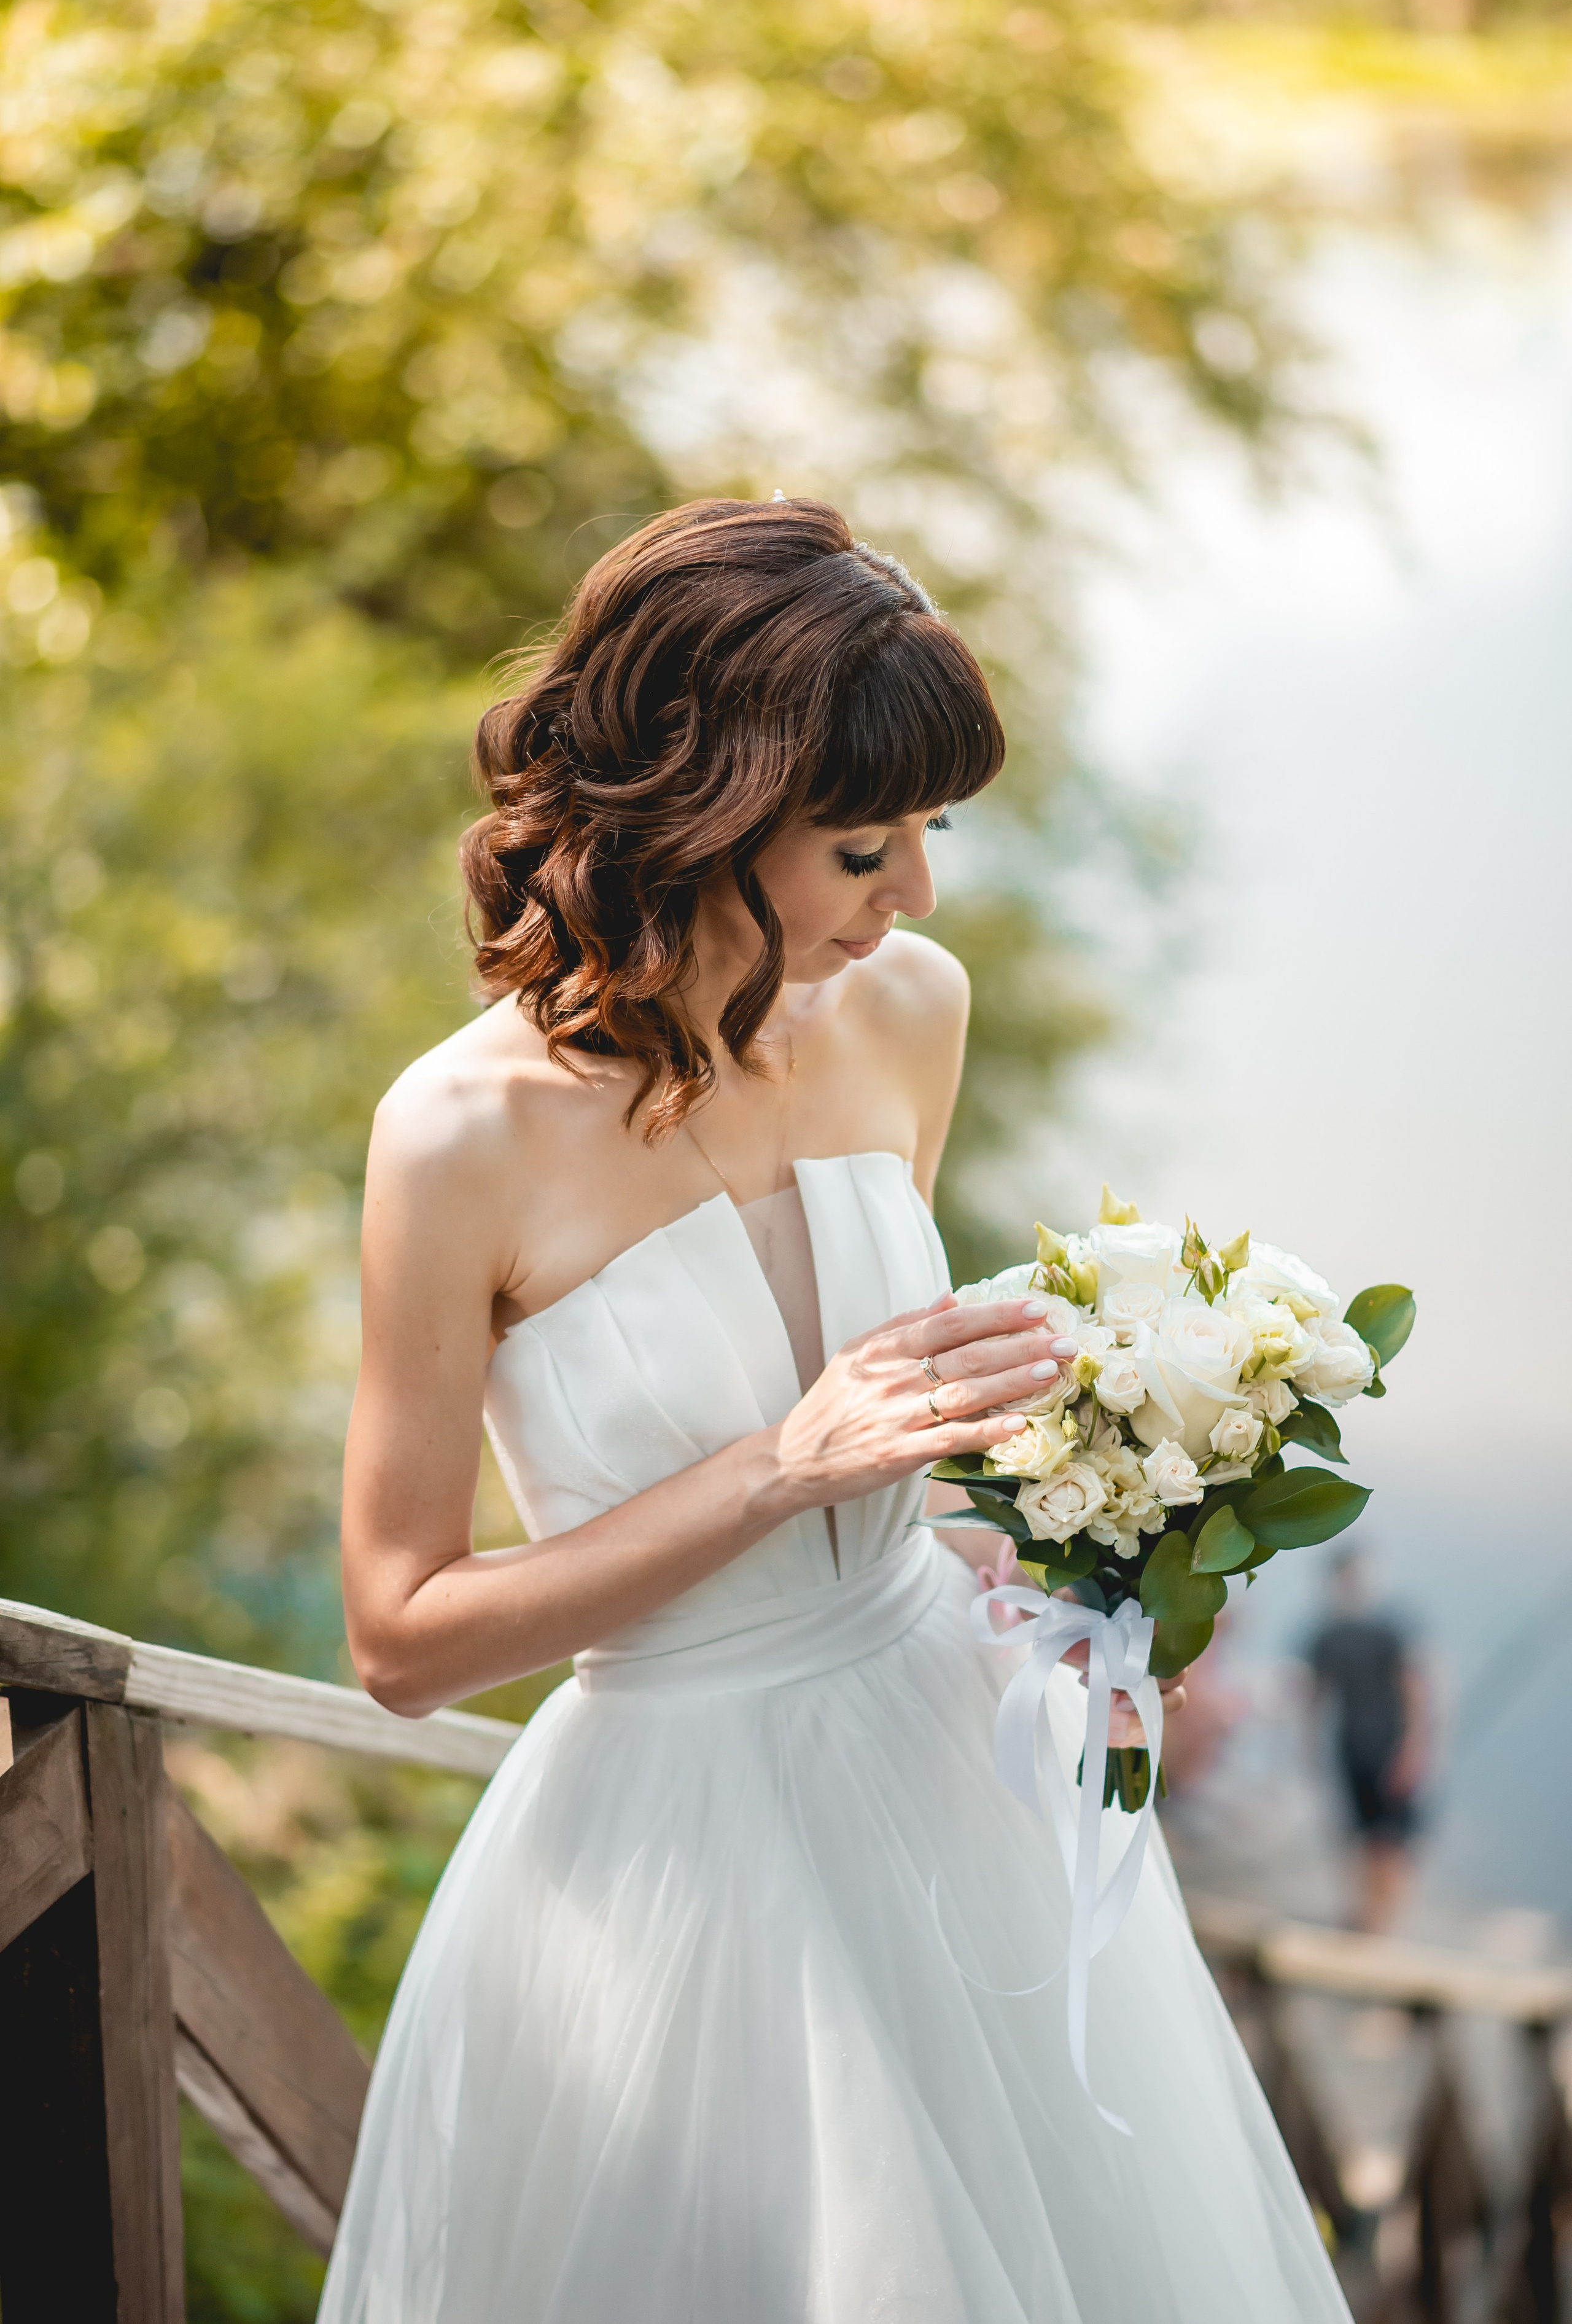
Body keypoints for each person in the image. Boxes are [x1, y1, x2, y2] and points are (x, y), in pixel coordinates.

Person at [320, 498, 1353, 2322]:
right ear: (701, 821)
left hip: (956, 1786)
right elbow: (401, 1639)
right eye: (865, 847)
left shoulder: (906, 1012)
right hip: (677, 1868)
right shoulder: (456, 1138)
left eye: (930, 834)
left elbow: (919, 1465)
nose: (919, 901)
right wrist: (771, 1469)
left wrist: (1075, 1597)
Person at [1309, 1551, 1430, 1936]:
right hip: (1350, 1749)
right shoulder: (1326, 1634)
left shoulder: (1390, 1630)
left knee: (1391, 1843)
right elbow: (1317, 1696)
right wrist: (1310, 1753)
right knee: (1358, 1838)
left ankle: (1385, 1926)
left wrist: (1413, 1749)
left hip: (1389, 1748)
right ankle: (1365, 1918)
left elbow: (1415, 1690)